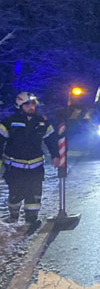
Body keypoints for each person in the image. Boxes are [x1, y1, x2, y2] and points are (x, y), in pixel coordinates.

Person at [0, 92, 60, 228]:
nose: (31, 107)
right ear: (19, 106)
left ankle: (31, 220)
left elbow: (51, 140)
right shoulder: (9, 122)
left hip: (36, 166)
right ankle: (13, 216)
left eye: (33, 104)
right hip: (14, 167)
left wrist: (55, 155)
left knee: (34, 195)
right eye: (27, 104)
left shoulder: (42, 122)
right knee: (15, 194)